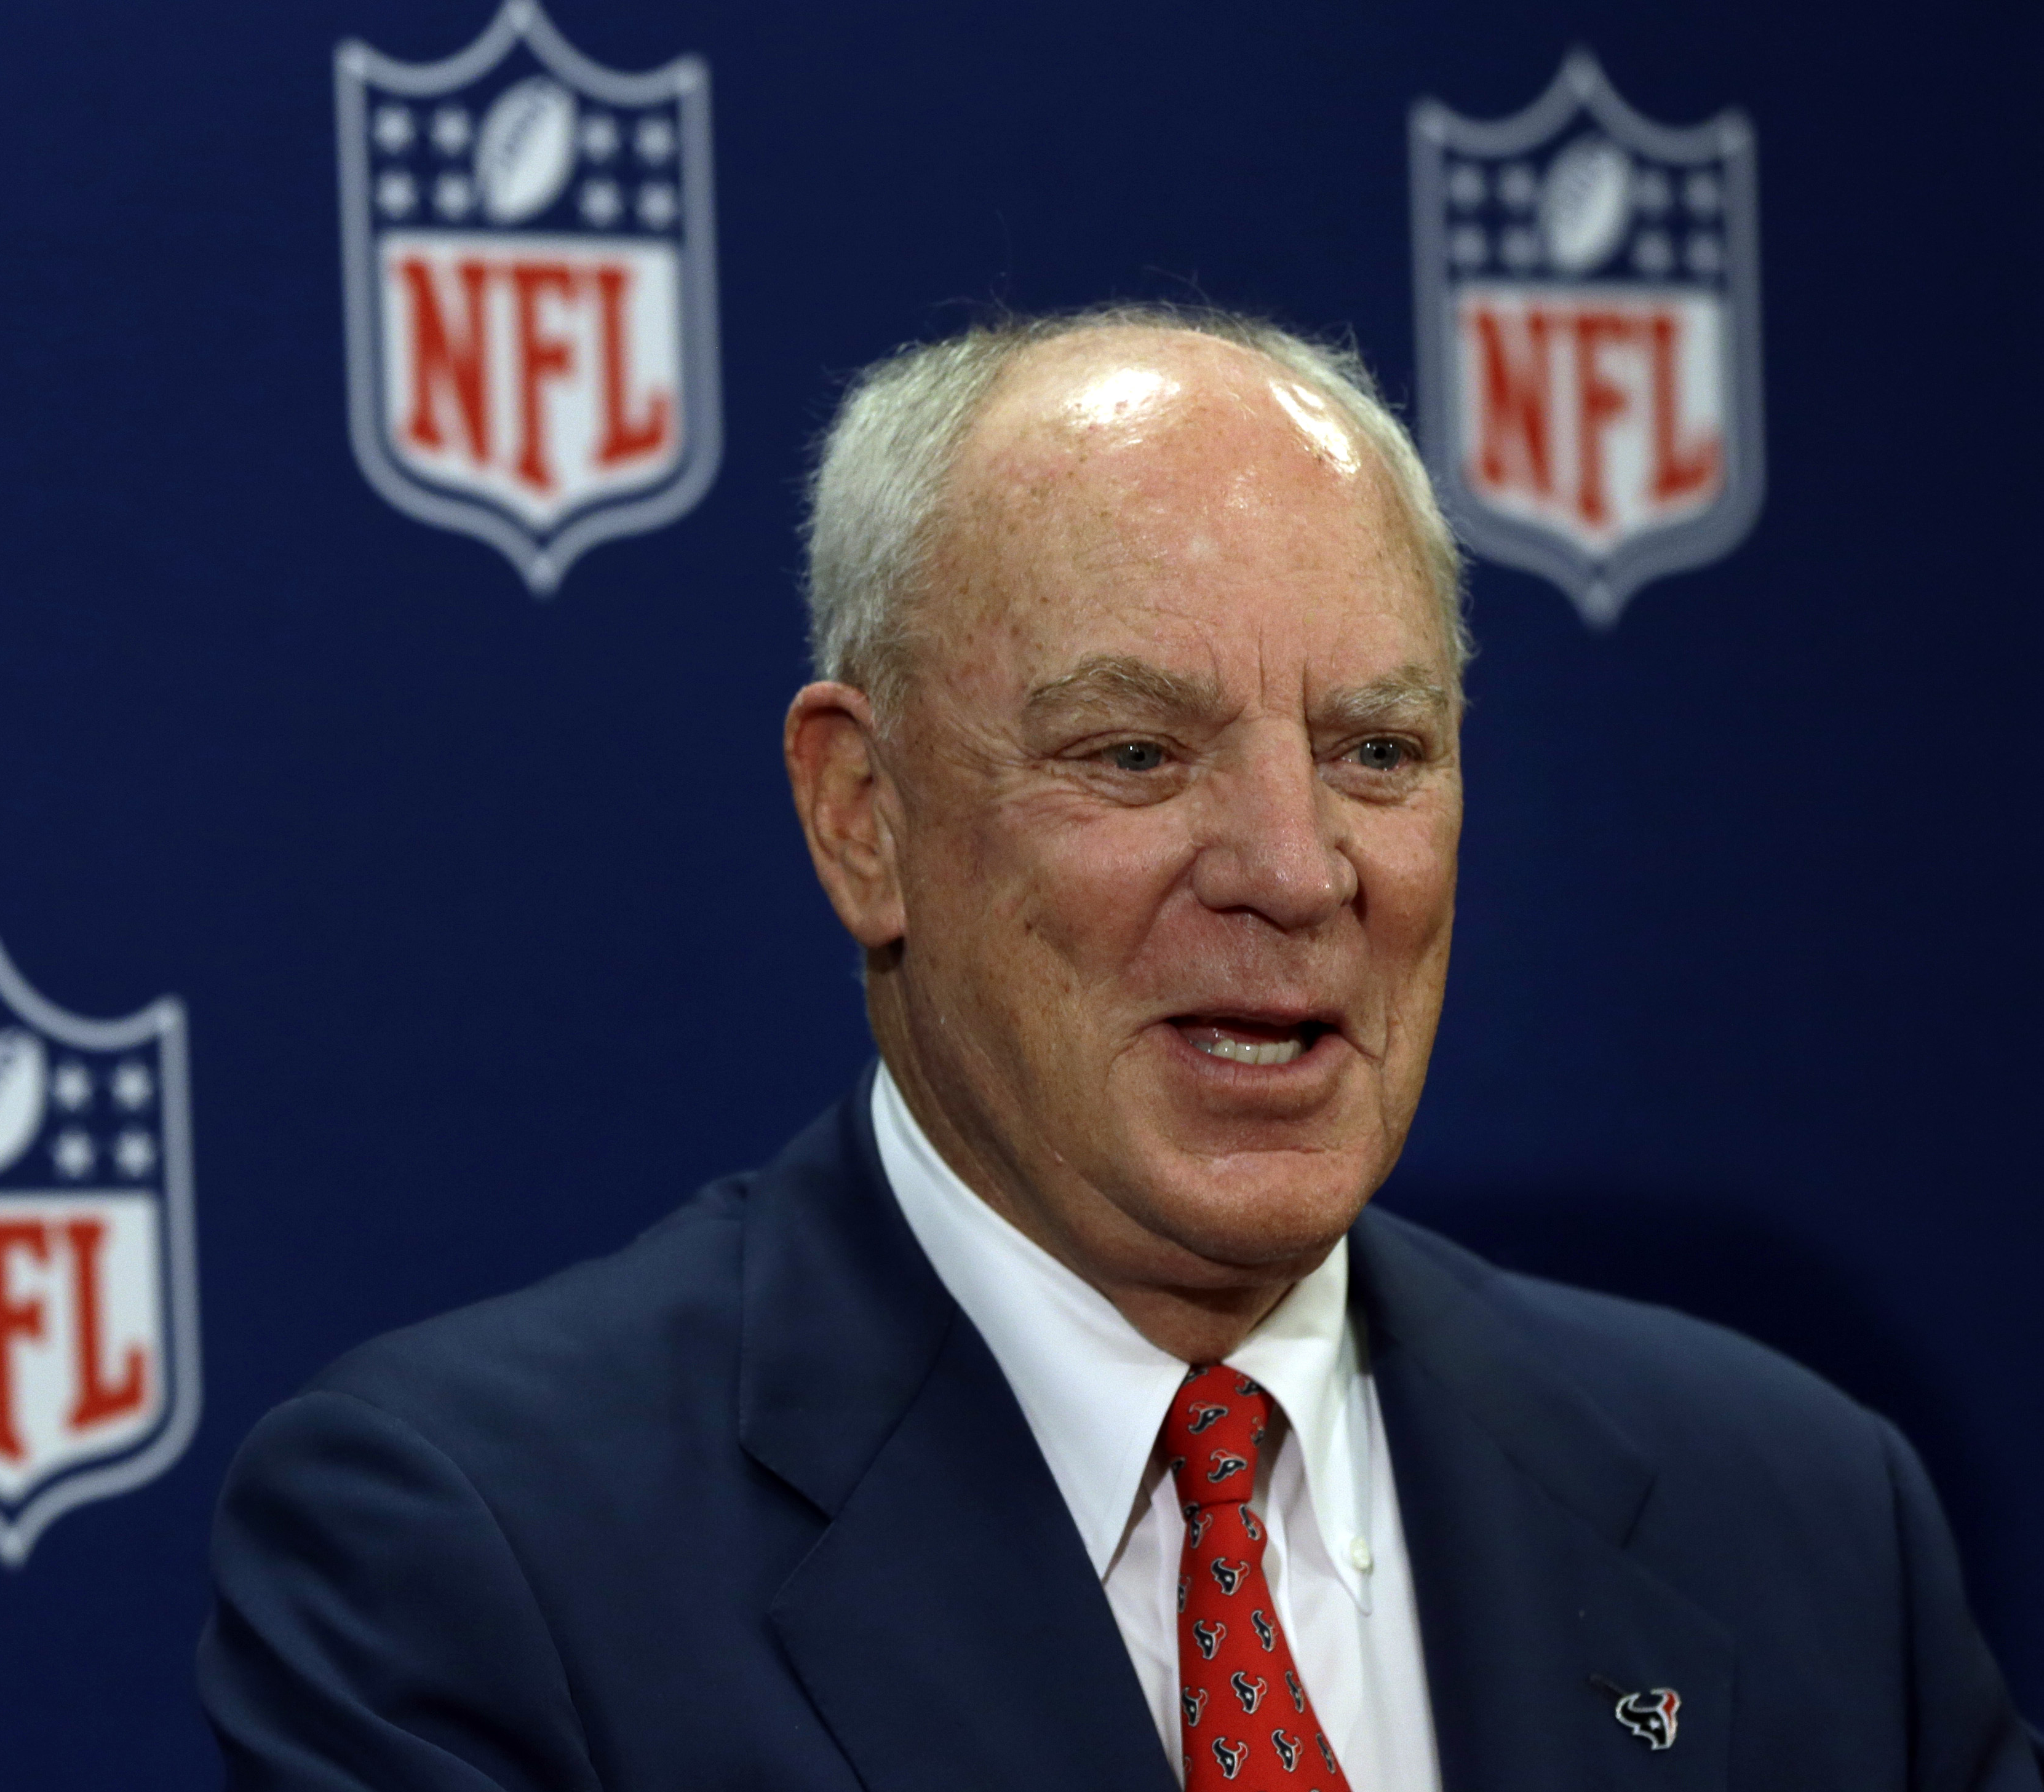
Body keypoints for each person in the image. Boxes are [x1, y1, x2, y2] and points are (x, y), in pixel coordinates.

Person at [198, 305, 2040, 1791]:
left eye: (1377, 750)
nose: (1293, 869)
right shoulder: (475, 1560)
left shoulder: (1797, 1517)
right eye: (1136, 754)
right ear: (865, 815)